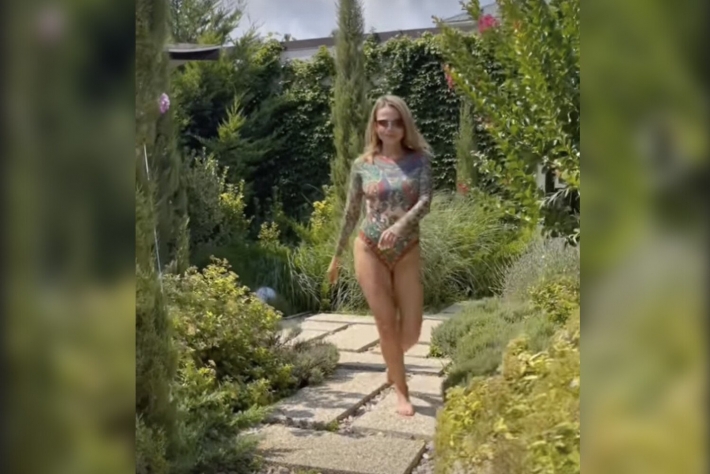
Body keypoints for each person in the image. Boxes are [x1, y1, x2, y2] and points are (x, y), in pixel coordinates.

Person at [327, 95, 433, 416]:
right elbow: (351, 212)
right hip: (369, 247)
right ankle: (401, 390)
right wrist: (337, 256)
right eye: (384, 122)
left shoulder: (420, 160)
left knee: (411, 331)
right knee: (386, 324)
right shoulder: (363, 165)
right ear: (375, 126)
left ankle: (392, 361)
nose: (390, 128)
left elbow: (425, 201)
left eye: (396, 122)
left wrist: (400, 227)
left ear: (405, 125)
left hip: (406, 248)